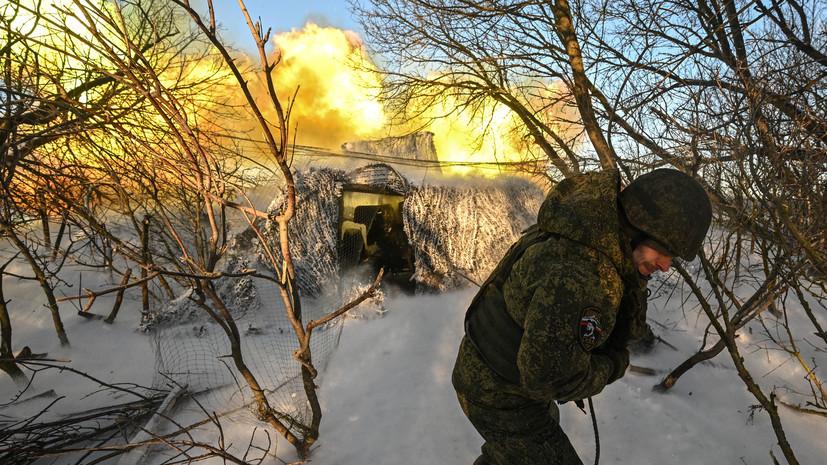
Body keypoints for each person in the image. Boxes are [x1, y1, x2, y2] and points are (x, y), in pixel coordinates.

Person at [452, 168, 712, 465]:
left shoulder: (584, 226)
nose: (666, 266)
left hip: (498, 376)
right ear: (640, 227)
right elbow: (550, 379)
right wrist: (613, 365)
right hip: (499, 393)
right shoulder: (585, 276)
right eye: (665, 251)